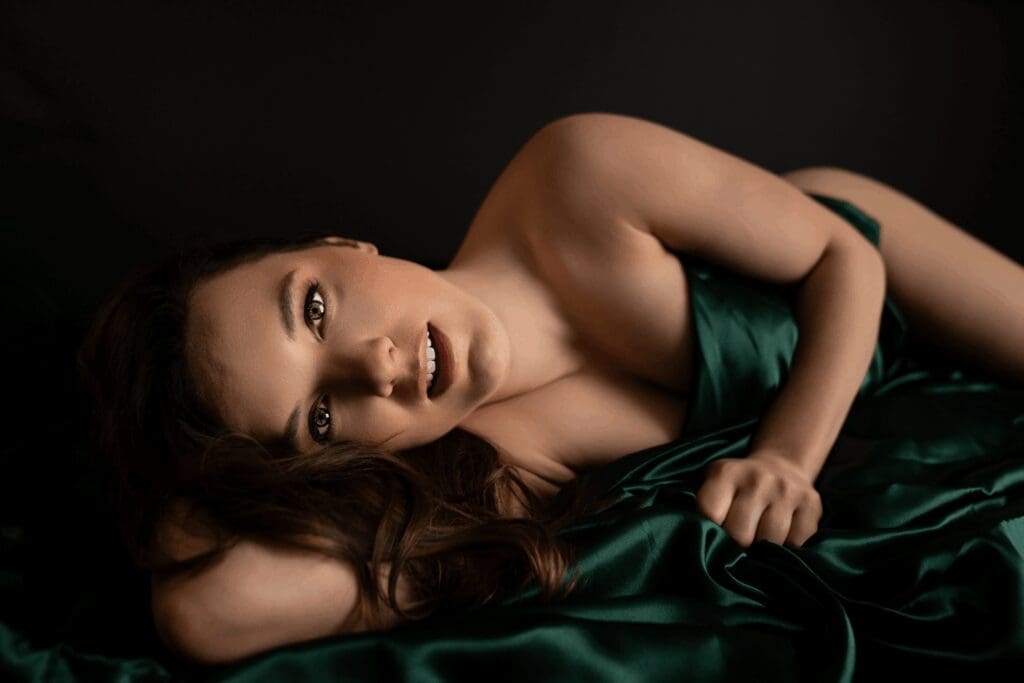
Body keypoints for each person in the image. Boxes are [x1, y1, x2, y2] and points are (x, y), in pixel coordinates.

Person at [76, 112, 1024, 665]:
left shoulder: (577, 177)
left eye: (317, 308)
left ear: (336, 242)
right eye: (322, 416)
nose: (374, 366)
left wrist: (784, 456)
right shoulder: (484, 463)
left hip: (865, 282)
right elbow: (203, 613)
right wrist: (189, 493)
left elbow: (839, 256)